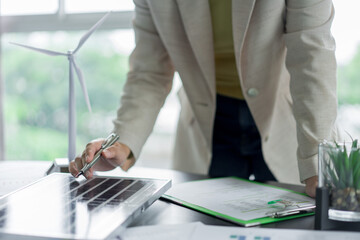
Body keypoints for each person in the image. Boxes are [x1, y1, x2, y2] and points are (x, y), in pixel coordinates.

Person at [69, 0, 341, 197]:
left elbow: (311, 56)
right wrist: (123, 142)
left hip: (288, 125)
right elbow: (150, 70)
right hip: (206, 126)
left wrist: (316, 162)